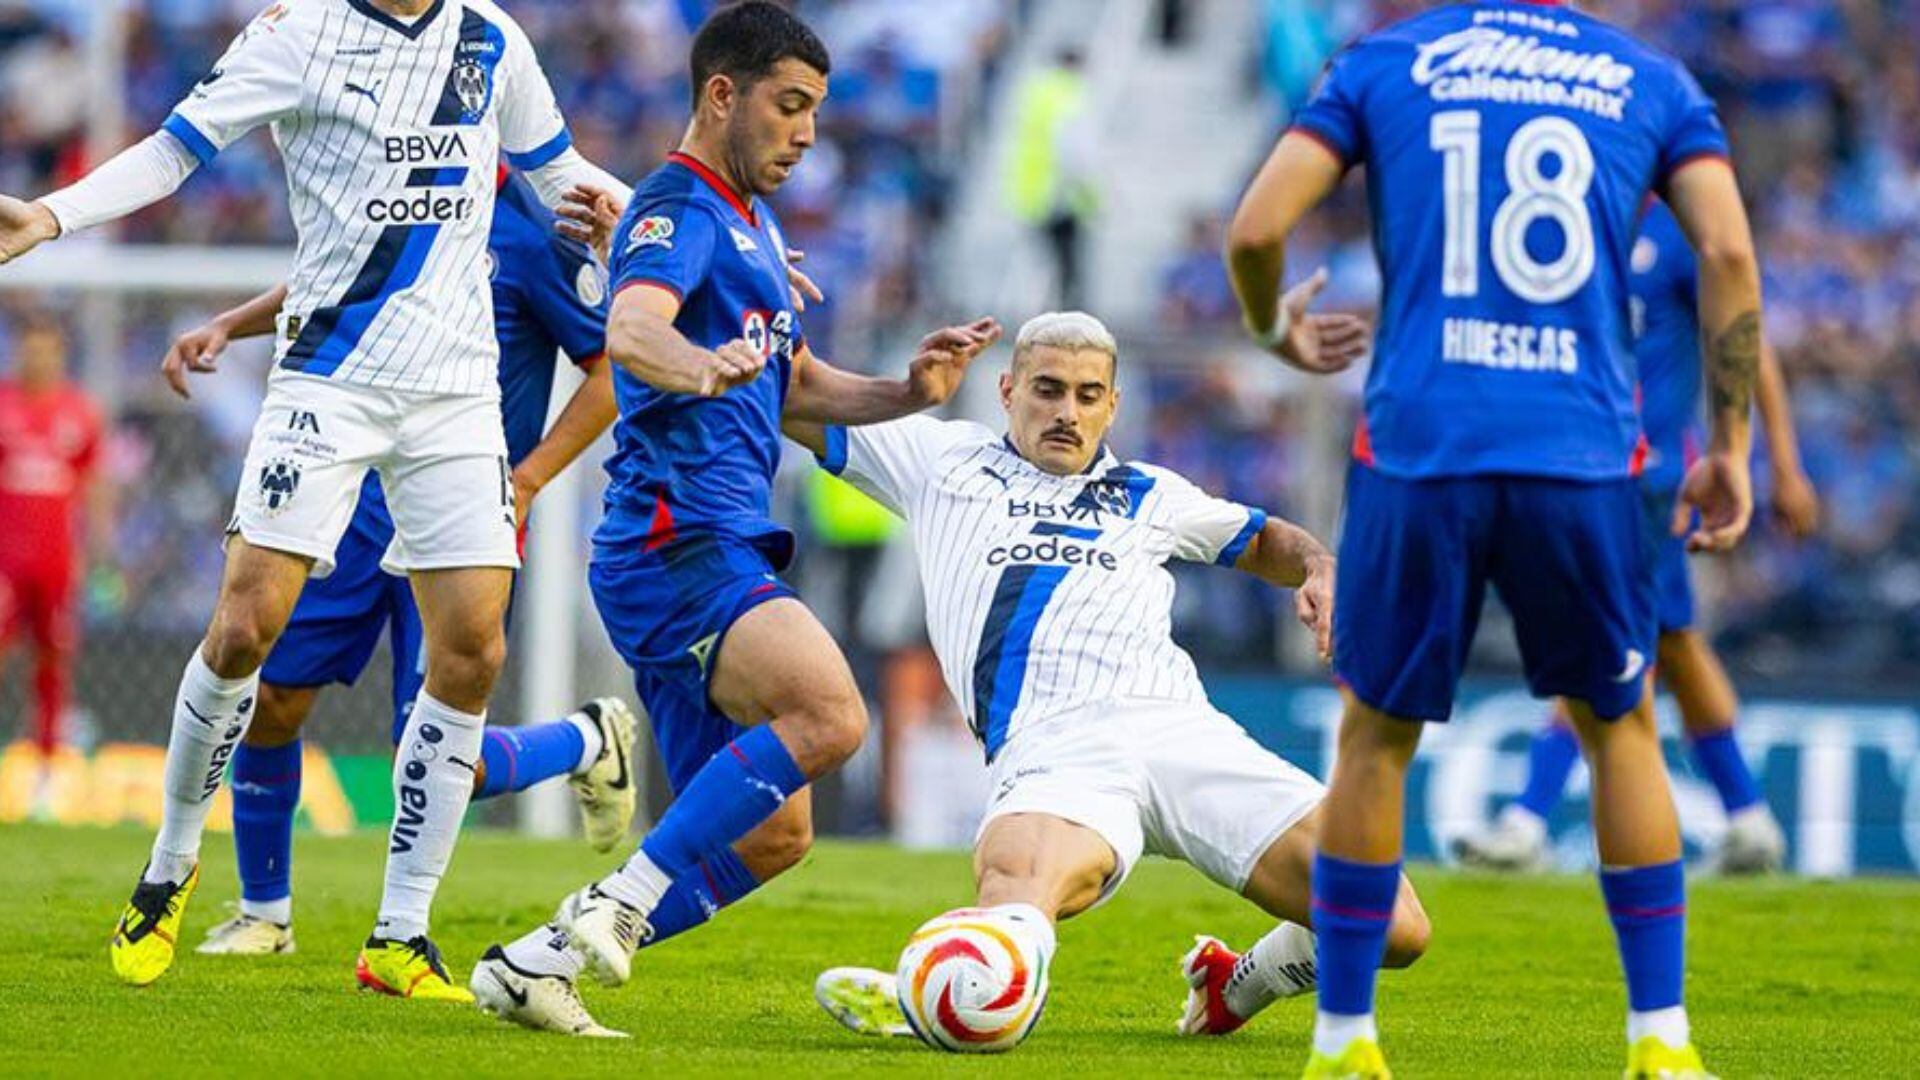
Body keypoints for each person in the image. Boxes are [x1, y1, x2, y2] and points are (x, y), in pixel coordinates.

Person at [0, 0, 634, 997]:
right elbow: (173, 152)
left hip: (456, 399)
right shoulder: (295, 34)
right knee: (247, 628)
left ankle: (399, 934)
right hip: (328, 385)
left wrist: (705, 241)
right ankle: (169, 866)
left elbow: (562, 175)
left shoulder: (493, 39)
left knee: (474, 650)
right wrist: (52, 213)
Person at [1225, 3, 1764, 1076]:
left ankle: (1344, 1043)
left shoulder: (1388, 60)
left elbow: (1252, 233)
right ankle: (1661, 1042)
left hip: (1422, 447)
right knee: (1620, 727)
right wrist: (1734, 445)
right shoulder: (1649, 80)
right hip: (1584, 453)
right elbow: (1730, 254)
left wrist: (1270, 328)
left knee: (1376, 737)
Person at [468, 2, 1000, 1038]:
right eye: (790, 106)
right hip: (677, 548)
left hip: (702, 551)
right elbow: (632, 330)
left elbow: (796, 392)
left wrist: (907, 390)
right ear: (723, 95)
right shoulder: (677, 210)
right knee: (835, 715)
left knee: (776, 835)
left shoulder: (754, 229)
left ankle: (538, 963)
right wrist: (697, 365)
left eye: (815, 112)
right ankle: (615, 904)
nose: (807, 132)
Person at [791, 311, 1428, 1048]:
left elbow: (1261, 539)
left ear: (1113, 406)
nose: (1068, 412)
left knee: (1397, 927)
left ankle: (1238, 982)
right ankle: (951, 989)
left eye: (1089, 395)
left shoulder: (1151, 492)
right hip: (1057, 749)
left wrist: (1319, 565)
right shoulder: (939, 460)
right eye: (1049, 390)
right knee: (1016, 900)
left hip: (1182, 731)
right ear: (1006, 390)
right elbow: (791, 395)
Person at [157, 167, 634, 961]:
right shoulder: (401, 176)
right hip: (351, 498)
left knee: (443, 750)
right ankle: (264, 913)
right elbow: (336, 275)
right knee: (271, 693)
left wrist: (527, 478)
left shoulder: (540, 234)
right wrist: (230, 326)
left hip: (454, 516)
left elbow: (610, 371)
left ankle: (584, 741)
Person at [1455, 201, 1820, 876]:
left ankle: (1528, 818)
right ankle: (1749, 817)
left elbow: (1745, 341)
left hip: (1652, 478)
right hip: (1585, 470)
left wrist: (1785, 465)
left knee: (1608, 637)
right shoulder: (1566, 225)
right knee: (1673, 640)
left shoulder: (1679, 235)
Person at [0, 316, 106, 801]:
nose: (37, 358)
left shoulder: (79, 413)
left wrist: (97, 547)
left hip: (56, 564)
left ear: (60, 355)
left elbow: (94, 484)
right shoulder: (3, 403)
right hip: (5, 562)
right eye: (30, 349)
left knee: (51, 664)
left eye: (47, 350)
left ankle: (44, 774)